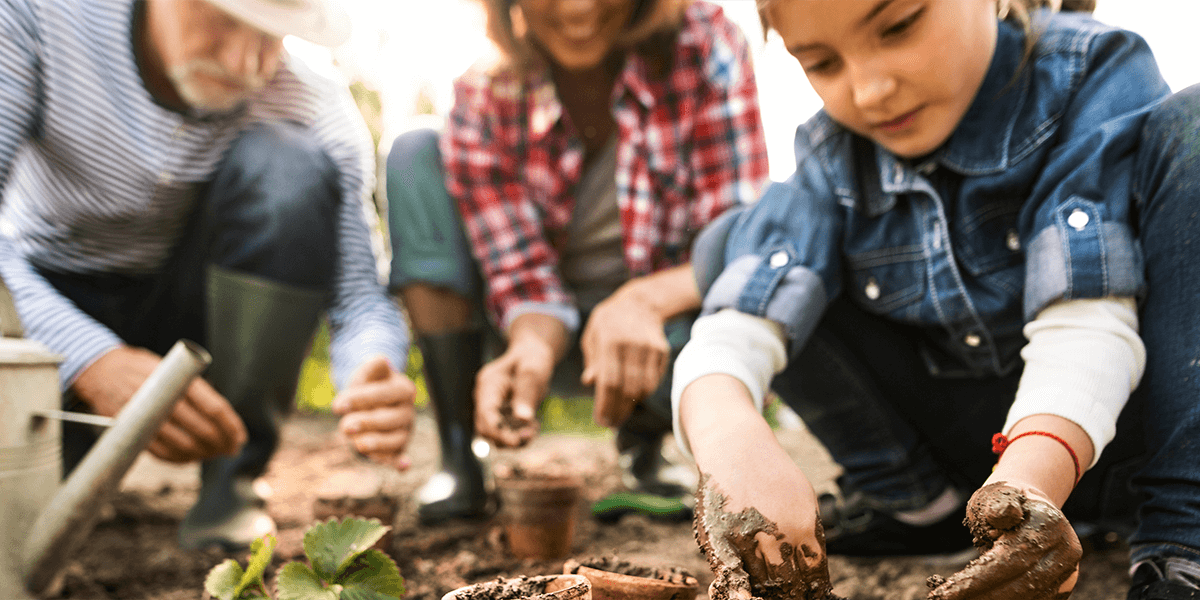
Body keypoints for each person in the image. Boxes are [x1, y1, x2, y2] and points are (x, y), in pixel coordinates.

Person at [672, 0, 1200, 599]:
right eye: (821, 62)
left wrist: (1029, 482)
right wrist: (731, 435)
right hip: (974, 451)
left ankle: (1184, 540)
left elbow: (1087, 319)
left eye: (898, 26)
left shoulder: (1091, 73)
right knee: (733, 244)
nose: (870, 91)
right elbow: (738, 322)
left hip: (1127, 432)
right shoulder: (833, 152)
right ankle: (916, 505)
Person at [0, 0, 416, 551]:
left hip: (200, 317)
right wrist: (90, 358)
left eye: (275, 34)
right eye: (225, 17)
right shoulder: (37, 18)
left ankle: (233, 481)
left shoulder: (311, 102)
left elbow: (359, 297)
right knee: (30, 506)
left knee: (289, 166)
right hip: (47, 308)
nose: (248, 62)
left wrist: (371, 371)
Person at [385, 0, 769, 523]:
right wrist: (532, 344)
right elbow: (520, 274)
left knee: (745, 304)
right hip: (543, 332)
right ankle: (459, 449)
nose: (580, 6)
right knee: (414, 153)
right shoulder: (483, 94)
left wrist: (642, 302)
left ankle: (647, 440)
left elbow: (737, 239)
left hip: (666, 330)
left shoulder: (705, 43)